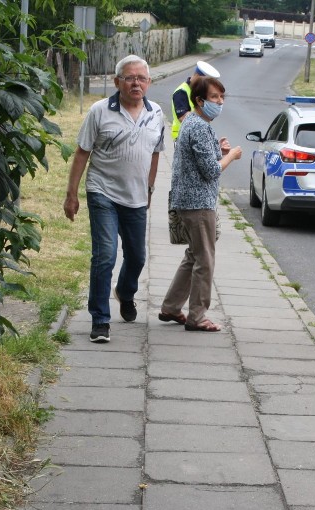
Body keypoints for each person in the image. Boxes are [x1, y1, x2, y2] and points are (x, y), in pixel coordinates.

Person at [63, 55, 165, 343]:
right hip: (102, 191)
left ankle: (126, 291)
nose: (136, 83)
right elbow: (82, 152)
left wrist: (149, 189)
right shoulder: (99, 111)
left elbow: (155, 152)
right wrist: (71, 195)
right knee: (105, 255)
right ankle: (100, 319)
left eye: (141, 78)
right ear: (117, 81)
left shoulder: (156, 112)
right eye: (130, 78)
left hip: (136, 196)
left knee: (137, 256)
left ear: (148, 82)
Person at [159, 76, 242, 332]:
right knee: (204, 261)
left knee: (193, 255)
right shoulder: (199, 126)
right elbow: (211, 171)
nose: (220, 102)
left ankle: (171, 307)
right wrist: (231, 156)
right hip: (198, 203)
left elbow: (200, 158)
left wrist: (219, 150)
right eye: (215, 97)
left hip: (189, 199)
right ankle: (197, 317)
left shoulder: (194, 123)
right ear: (200, 100)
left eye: (222, 97)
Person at [170, 61, 221, 141]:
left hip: (196, 136)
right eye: (205, 84)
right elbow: (183, 117)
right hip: (183, 138)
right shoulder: (181, 91)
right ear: (197, 77)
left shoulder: (199, 92)